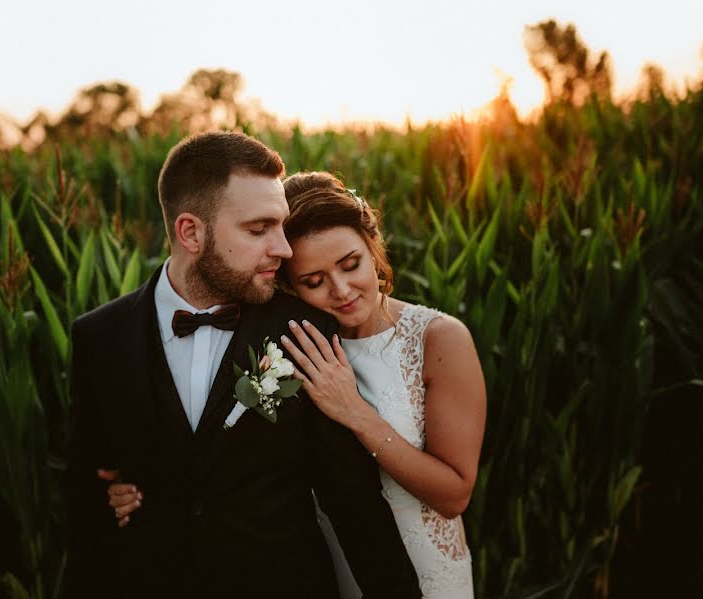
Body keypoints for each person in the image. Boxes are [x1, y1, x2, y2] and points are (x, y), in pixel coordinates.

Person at [66, 135, 419, 598]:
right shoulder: (100, 338)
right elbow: (86, 497)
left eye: (282, 227)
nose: (284, 249)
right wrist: (110, 500)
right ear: (191, 232)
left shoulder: (304, 331)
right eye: (259, 230)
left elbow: (353, 503)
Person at [109, 171, 486, 598]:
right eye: (314, 281)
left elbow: (455, 495)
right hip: (324, 567)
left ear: (372, 245)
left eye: (351, 264)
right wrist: (138, 488)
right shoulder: (275, 347)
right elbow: (216, 453)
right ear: (287, 283)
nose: (341, 290)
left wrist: (355, 413)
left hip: (425, 571)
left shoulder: (438, 340)